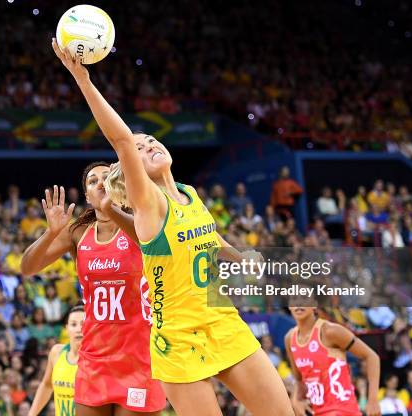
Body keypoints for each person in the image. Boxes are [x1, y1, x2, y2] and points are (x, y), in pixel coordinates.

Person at [51, 40, 292, 415]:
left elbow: (210, 238)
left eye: (151, 141)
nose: (148, 146)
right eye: (141, 149)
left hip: (221, 320)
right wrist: (83, 79)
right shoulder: (149, 203)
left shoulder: (189, 193)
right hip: (177, 338)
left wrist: (238, 257)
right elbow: (121, 140)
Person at [21, 163, 165, 415]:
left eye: (106, 177)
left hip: (139, 358)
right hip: (94, 359)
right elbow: (27, 267)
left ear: (118, 185)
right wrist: (51, 232)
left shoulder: (141, 224)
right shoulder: (78, 232)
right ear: (86, 195)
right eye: (92, 180)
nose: (99, 182)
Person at [285, 302, 381, 416]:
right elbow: (299, 381)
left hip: (342, 410)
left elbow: (371, 356)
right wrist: (295, 400)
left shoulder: (330, 331)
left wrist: (373, 399)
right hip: (316, 411)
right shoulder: (290, 338)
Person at [28, 305, 84, 416]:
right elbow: (47, 385)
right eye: (73, 324)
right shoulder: (56, 352)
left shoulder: (97, 359)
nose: (79, 329)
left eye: (83, 324)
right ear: (67, 328)